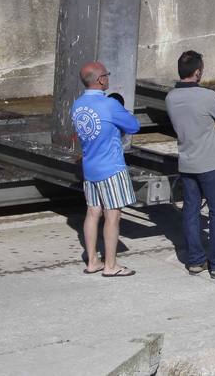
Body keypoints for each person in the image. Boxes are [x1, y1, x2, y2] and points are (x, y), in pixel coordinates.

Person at [166, 50, 215, 279]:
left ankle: (195, 261)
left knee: (190, 211)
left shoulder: (171, 97)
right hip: (210, 162)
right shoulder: (207, 96)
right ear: (198, 72)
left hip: (187, 161)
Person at [71, 61, 141, 277]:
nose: (108, 78)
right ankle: (111, 265)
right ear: (101, 79)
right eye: (107, 75)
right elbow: (134, 126)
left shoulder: (77, 105)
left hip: (89, 166)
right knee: (113, 216)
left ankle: (92, 260)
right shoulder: (109, 105)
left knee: (93, 213)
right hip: (111, 167)